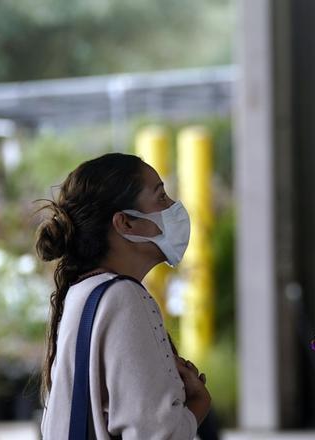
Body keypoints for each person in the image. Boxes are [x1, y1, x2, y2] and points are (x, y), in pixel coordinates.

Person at [37, 153, 211, 439]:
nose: (173, 207)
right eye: (161, 197)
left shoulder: (83, 293)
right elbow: (154, 433)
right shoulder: (124, 298)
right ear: (126, 224)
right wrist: (198, 404)